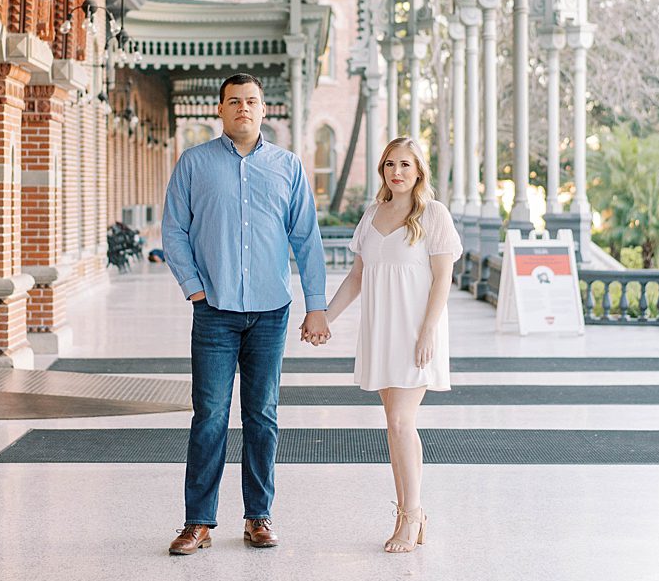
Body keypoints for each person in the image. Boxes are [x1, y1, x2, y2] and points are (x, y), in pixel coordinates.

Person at [161, 73, 329, 556]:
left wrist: (316, 305)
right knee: (209, 415)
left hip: (270, 312)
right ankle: (198, 522)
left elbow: (307, 240)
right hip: (213, 311)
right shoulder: (194, 164)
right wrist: (194, 289)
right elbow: (174, 230)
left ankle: (258, 516)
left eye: (251, 101)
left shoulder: (288, 167)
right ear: (221, 109)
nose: (243, 109)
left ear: (263, 109)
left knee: (263, 415)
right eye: (234, 101)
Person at [316, 135, 460, 553]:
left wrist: (428, 333)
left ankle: (411, 517)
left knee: (400, 423)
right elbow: (358, 278)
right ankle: (409, 511)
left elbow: (442, 280)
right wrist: (325, 316)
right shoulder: (372, 215)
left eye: (405, 165)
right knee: (396, 427)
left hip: (416, 331)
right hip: (381, 330)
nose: (396, 172)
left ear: (419, 172)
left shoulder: (433, 215)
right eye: (389, 165)